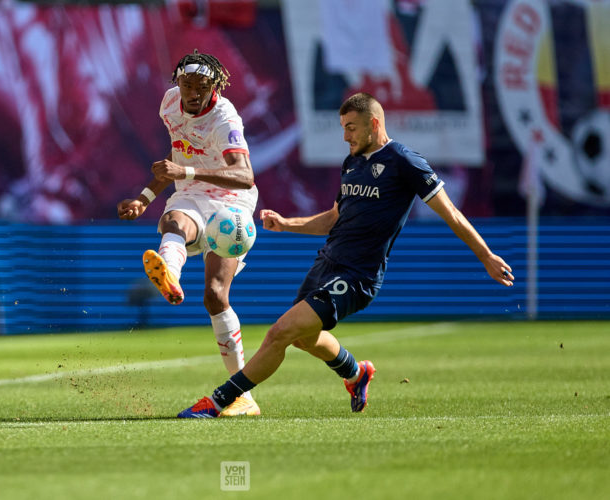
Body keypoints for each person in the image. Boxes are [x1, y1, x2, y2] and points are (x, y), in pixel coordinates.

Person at [178, 92, 514, 418]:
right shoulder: (352, 163)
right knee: (304, 340)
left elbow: (451, 213)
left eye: (351, 127)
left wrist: (485, 256)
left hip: (357, 276)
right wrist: (286, 224)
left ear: (374, 123)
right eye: (342, 127)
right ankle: (357, 374)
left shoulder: (404, 161)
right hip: (326, 263)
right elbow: (334, 218)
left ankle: (220, 401)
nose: (345, 136)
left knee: (280, 332)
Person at [117, 50, 261, 417]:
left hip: (232, 202)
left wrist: (187, 174)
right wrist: (145, 198)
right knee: (173, 222)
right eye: (187, 84)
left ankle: (242, 397)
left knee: (215, 296)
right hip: (192, 193)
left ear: (215, 85)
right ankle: (170, 275)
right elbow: (177, 157)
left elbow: (245, 176)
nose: (193, 93)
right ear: (177, 82)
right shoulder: (169, 104)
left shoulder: (224, 118)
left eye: (201, 86)